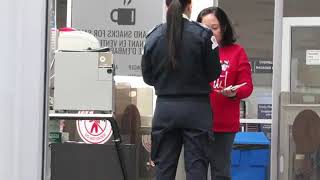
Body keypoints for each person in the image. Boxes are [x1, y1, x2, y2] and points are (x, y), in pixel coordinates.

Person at [141, 0, 221, 179]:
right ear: (190, 6)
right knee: (197, 167)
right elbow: (215, 72)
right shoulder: (204, 35)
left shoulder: (153, 36)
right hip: (197, 110)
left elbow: (148, 77)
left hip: (165, 109)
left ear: (166, 6)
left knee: (163, 167)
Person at [197, 7, 253, 180]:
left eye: (214, 28)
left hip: (223, 125)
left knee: (220, 172)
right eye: (204, 28)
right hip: (196, 122)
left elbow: (247, 87)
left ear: (224, 28)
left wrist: (234, 92)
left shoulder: (236, 52)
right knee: (195, 172)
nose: (209, 33)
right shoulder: (194, 51)